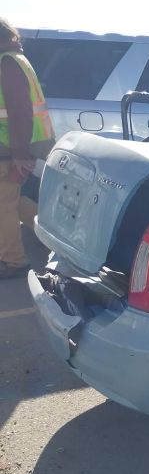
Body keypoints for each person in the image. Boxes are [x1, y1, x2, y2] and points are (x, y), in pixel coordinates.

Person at [0, 18, 54, 279]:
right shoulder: (16, 59)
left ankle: (15, 261)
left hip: (10, 150)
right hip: (15, 147)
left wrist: (20, 155)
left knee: (3, 205)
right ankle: (56, 238)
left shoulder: (8, 63)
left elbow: (20, 112)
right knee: (14, 203)